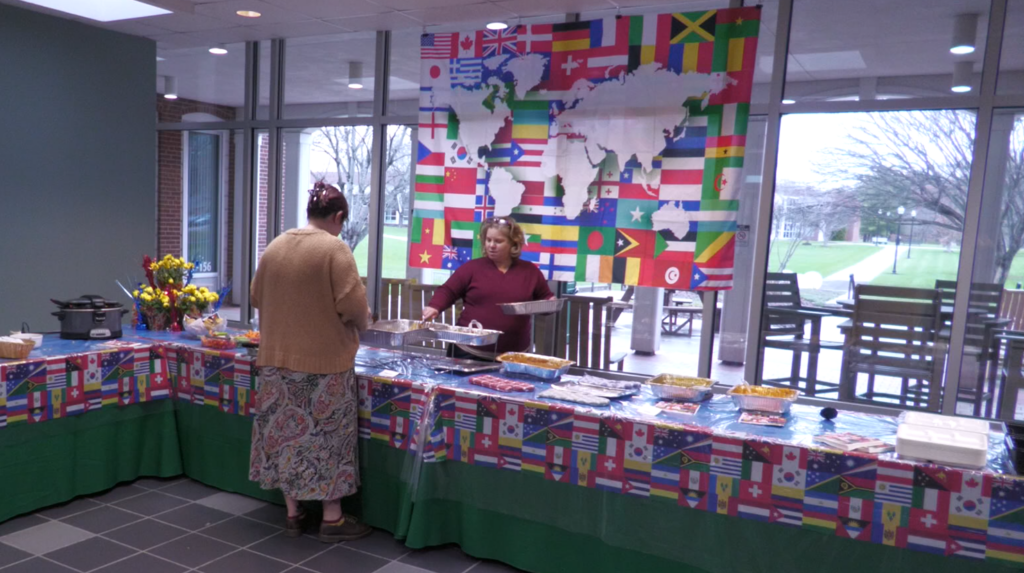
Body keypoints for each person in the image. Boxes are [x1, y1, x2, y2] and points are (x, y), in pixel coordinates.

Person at [249, 181, 372, 543]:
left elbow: (257, 296)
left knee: (285, 439)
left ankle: (293, 513)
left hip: (275, 362)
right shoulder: (335, 249)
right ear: (337, 217)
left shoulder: (275, 245)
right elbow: (354, 310)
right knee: (327, 442)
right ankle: (332, 519)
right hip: (324, 367)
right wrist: (365, 317)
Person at [422, 217, 554, 359]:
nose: (491, 245)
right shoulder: (472, 268)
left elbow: (545, 298)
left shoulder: (530, 271)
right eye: (488, 240)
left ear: (513, 243)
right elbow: (448, 290)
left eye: (498, 241)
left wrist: (551, 302)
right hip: (468, 352)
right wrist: (435, 306)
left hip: (514, 357)